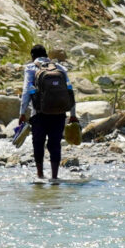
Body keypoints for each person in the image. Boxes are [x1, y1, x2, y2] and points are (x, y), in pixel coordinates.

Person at [20, 42, 75, 183]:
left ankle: (40, 176)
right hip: (59, 113)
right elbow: (69, 91)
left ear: (33, 56)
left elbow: (27, 91)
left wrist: (22, 113)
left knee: (38, 143)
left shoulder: (31, 67)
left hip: (39, 113)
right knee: (55, 144)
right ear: (46, 55)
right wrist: (73, 114)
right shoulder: (60, 68)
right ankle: (55, 177)